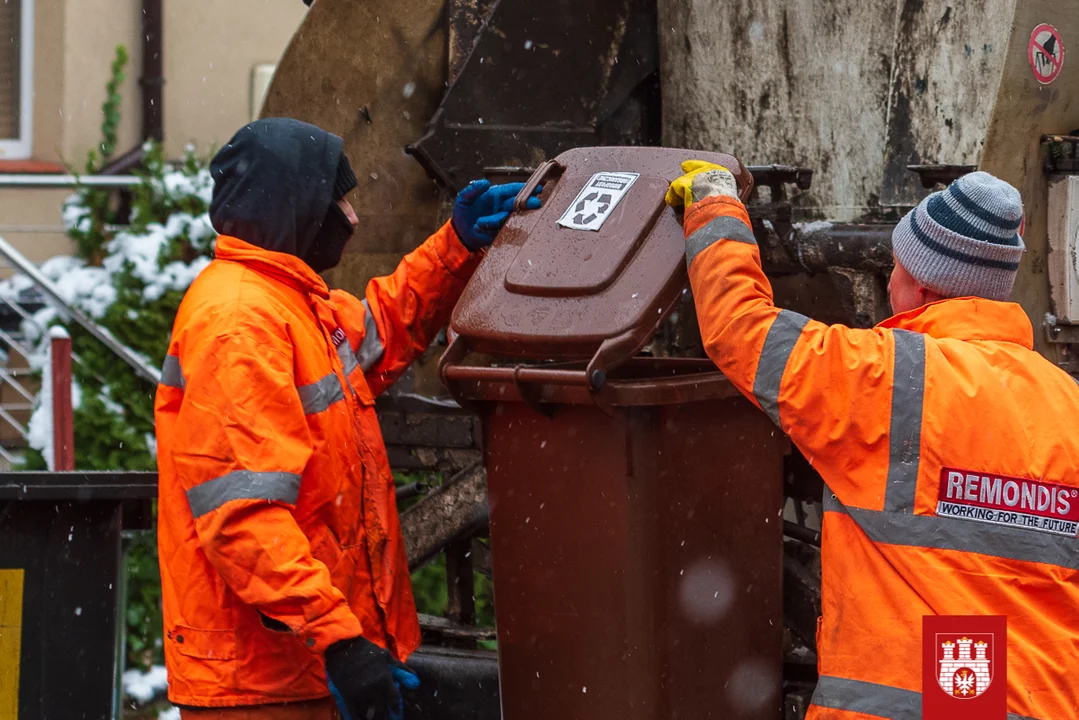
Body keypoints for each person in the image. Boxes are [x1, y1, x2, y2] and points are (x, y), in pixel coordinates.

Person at [154, 117, 539, 719]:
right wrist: (337, 639)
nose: (351, 217)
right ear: (294, 204)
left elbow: (379, 335)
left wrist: (456, 245)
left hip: (296, 670)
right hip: (266, 687)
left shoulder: (288, 303)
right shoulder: (238, 323)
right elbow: (244, 518)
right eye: (339, 198)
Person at [667, 162, 1079, 719]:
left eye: (896, 265)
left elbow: (740, 328)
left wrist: (714, 205)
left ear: (922, 284)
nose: (889, 279)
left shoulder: (885, 379)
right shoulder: (1068, 403)